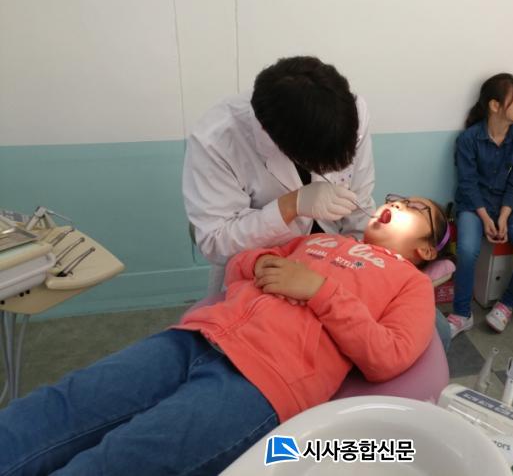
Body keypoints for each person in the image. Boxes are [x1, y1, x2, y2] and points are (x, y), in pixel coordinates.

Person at [0, 195, 451, 476]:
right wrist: (258, 263)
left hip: (260, 382)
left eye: (415, 208)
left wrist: (319, 290)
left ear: (427, 249)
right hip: (195, 338)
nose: (396, 203)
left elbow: (387, 355)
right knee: (62, 404)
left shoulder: (410, 284)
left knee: (120, 459)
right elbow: (239, 266)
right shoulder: (322, 240)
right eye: (396, 198)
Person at [182, 55, 452, 352]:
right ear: (283, 146)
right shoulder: (218, 139)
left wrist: (356, 261)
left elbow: (359, 201)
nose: (397, 205)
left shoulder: (349, 114)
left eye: (414, 207)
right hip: (272, 268)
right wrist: (290, 206)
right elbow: (217, 243)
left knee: (435, 331)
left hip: (332, 278)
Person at [447, 73, 513, 339]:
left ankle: (506, 305)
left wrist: (502, 217)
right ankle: (462, 314)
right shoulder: (468, 139)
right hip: (473, 204)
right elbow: (467, 183)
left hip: (508, 205)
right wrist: (486, 219)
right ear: (495, 105)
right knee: (467, 250)